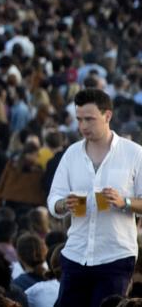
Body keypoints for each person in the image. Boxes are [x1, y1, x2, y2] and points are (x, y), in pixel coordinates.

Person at [46, 88, 142, 307]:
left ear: (107, 116)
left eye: (89, 119)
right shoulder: (71, 153)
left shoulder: (134, 153)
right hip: (76, 253)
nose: (83, 126)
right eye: (79, 119)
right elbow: (54, 199)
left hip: (115, 255)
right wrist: (63, 204)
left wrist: (124, 202)